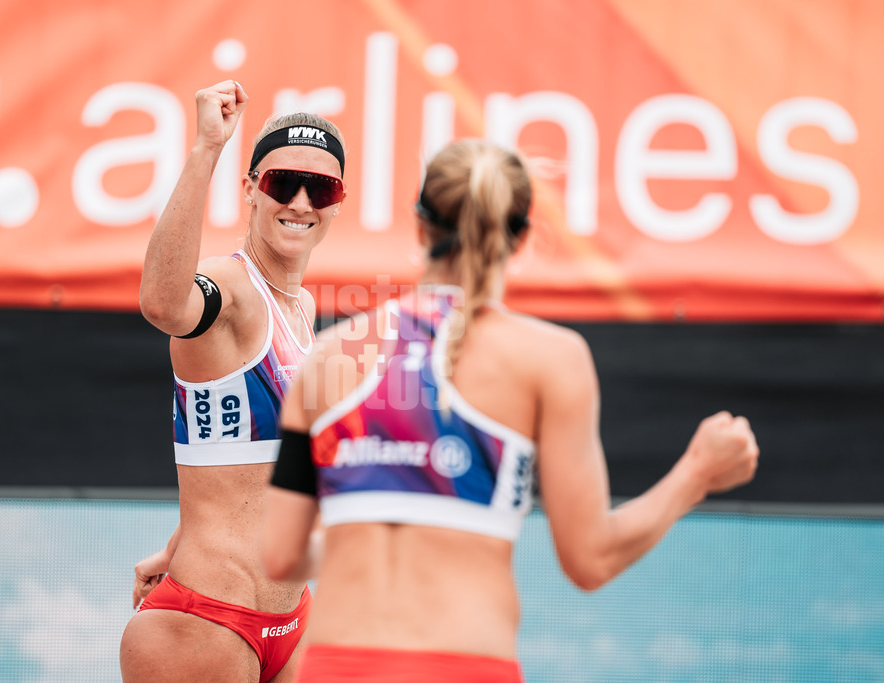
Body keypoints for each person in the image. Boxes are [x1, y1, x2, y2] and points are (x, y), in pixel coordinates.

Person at [259, 139, 759, 681]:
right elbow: (590, 561)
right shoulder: (552, 359)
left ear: (419, 227)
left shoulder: (331, 356)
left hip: (340, 667)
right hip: (467, 665)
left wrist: (369, 514)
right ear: (519, 238)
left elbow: (282, 556)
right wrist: (697, 473)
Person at [119, 80, 347, 682]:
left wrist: (174, 547)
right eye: (281, 183)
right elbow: (164, 305)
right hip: (206, 622)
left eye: (319, 187)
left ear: (336, 204)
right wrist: (207, 149)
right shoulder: (234, 287)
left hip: (291, 620)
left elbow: (239, 463)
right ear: (251, 189)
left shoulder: (299, 311)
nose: (299, 201)